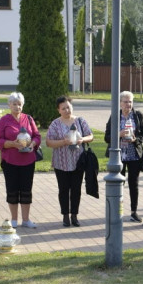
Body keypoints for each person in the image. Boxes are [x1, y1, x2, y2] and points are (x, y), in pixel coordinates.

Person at [0, 92, 41, 229]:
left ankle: (26, 220)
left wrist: (32, 144)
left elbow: (37, 136)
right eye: (14, 104)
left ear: (22, 105)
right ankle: (14, 219)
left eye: (19, 104)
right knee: (12, 190)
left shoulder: (29, 119)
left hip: (28, 161)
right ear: (9, 105)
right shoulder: (4, 120)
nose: (17, 107)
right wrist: (12, 144)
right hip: (10, 161)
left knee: (26, 190)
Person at [46, 96, 94, 227]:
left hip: (78, 162)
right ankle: (65, 216)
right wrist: (63, 142)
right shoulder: (55, 123)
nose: (67, 110)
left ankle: (74, 215)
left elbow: (91, 135)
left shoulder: (80, 120)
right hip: (61, 162)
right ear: (58, 110)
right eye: (63, 108)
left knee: (76, 189)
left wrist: (82, 140)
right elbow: (48, 142)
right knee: (63, 189)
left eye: (68, 107)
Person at [105, 91, 143, 222]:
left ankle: (134, 212)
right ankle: (118, 211)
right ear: (120, 103)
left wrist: (136, 140)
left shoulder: (137, 116)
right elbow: (107, 137)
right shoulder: (115, 116)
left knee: (133, 184)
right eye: (125, 102)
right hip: (118, 156)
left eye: (130, 102)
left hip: (134, 155)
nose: (128, 104)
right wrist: (119, 134)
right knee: (119, 184)